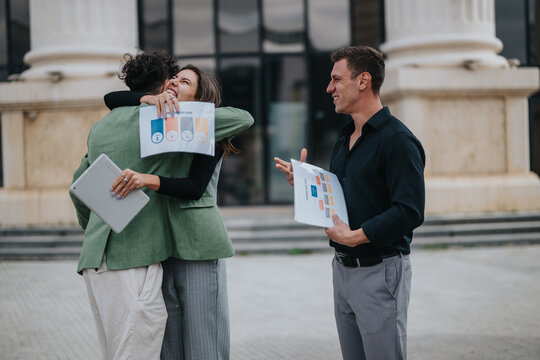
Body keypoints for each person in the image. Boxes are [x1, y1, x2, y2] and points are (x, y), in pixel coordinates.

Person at [70, 53, 253, 360]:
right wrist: (147, 99)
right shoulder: (156, 118)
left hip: (193, 241)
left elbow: (242, 121)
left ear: (199, 96)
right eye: (173, 80)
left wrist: (97, 227)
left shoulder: (183, 121)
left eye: (184, 82)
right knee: (163, 341)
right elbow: (113, 98)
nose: (175, 85)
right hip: (157, 245)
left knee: (199, 336)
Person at [274, 46, 425, 360]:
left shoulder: (398, 140)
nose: (329, 88)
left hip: (380, 271)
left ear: (363, 81)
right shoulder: (344, 140)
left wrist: (356, 237)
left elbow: (409, 210)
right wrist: (304, 182)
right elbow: (342, 196)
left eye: (336, 79)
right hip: (342, 270)